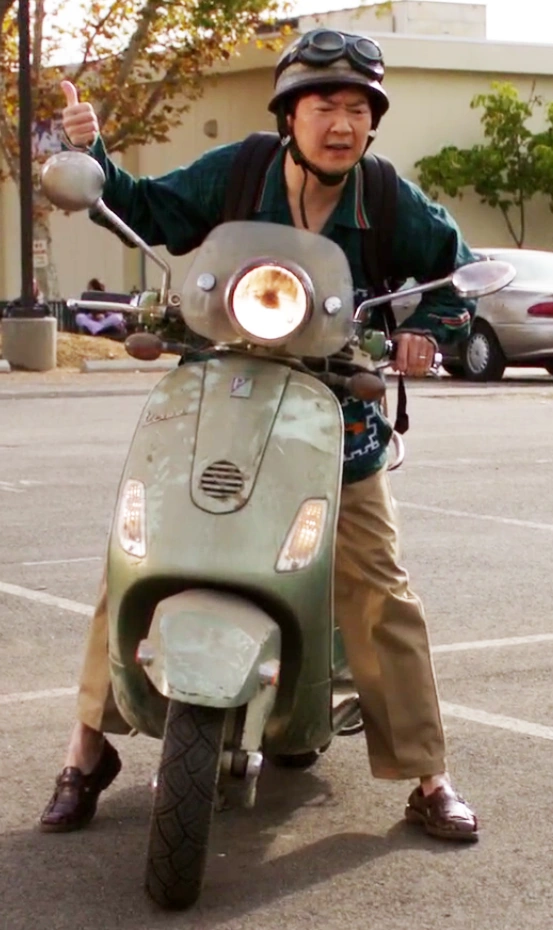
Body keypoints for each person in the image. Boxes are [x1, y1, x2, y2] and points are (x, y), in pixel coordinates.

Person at [40, 29, 479, 842]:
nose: (341, 124)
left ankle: (427, 774)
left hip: (337, 416)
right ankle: (85, 750)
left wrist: (432, 333)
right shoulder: (239, 172)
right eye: (324, 105)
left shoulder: (387, 198)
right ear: (289, 113)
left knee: (378, 588)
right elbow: (146, 209)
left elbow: (457, 279)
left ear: (373, 121)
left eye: (358, 109)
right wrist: (91, 152)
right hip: (220, 396)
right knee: (135, 557)